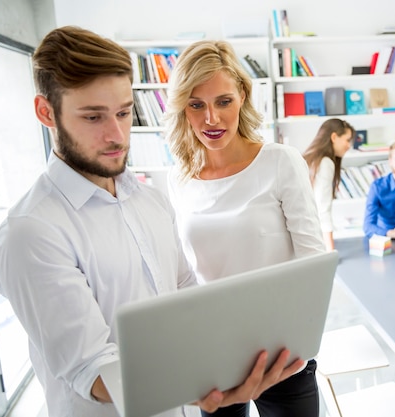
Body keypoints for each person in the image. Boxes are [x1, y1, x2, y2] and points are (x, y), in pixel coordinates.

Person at [0, 26, 303, 417]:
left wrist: (227, 365)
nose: (117, 134)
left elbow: (186, 292)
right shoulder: (32, 231)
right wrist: (206, 389)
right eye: (93, 117)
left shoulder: (149, 200)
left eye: (123, 112)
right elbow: (93, 371)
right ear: (46, 112)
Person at [163, 40, 325, 417]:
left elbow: (313, 263)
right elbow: (185, 274)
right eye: (196, 105)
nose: (211, 120)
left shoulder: (280, 162)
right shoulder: (179, 179)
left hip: (282, 352)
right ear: (182, 109)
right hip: (215, 351)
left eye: (223, 101)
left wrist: (299, 337)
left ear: (242, 97)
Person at [302, 118, 355, 250]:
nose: (349, 146)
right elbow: (323, 209)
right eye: (347, 140)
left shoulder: (310, 158)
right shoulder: (325, 163)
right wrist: (330, 250)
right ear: (334, 137)